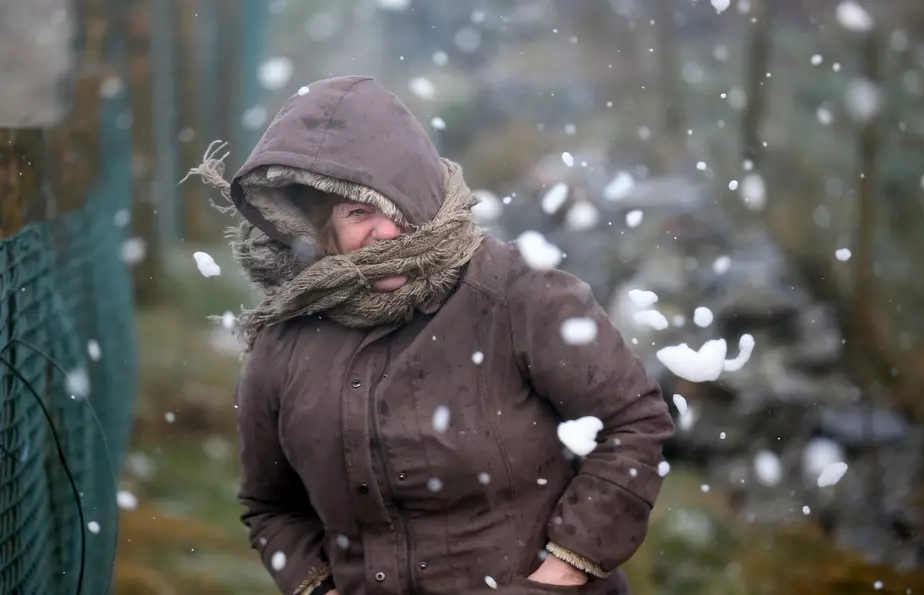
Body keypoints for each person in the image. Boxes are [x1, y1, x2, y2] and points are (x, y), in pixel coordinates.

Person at [184, 75, 675, 595]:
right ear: (320, 231)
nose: (387, 231)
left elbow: (633, 423)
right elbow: (271, 505)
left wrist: (563, 571)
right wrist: (318, 587)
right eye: (358, 212)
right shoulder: (283, 344)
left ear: (425, 198)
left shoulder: (518, 295)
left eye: (397, 205)